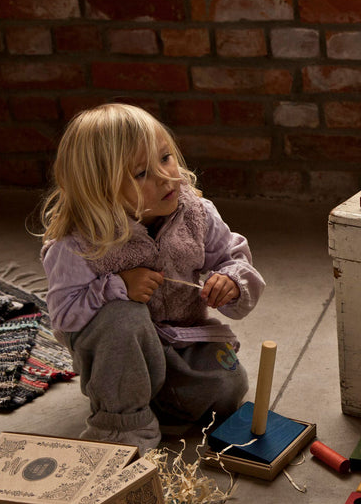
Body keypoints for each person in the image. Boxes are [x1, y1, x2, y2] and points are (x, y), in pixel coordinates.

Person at [39, 103, 265, 453]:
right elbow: (65, 316)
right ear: (101, 190)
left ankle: (145, 394)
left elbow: (233, 257)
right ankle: (120, 420)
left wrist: (231, 280)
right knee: (124, 314)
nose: (165, 177)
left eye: (165, 158)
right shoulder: (78, 242)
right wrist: (117, 287)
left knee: (229, 388)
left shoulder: (195, 213)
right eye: (141, 173)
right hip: (116, 349)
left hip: (179, 337)